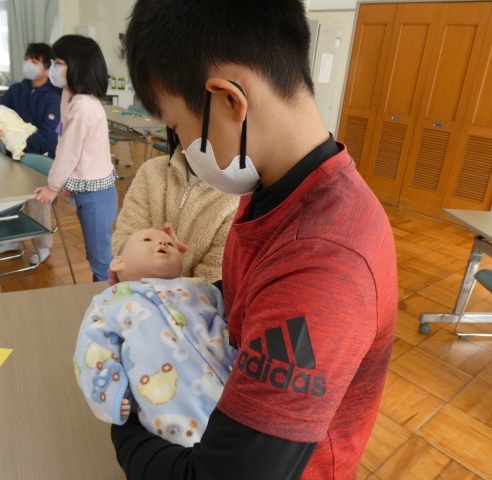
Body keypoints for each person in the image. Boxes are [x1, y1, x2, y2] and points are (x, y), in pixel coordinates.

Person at [111, 1, 398, 479]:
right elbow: (243, 300)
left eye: (178, 129)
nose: (182, 148)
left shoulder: (327, 262)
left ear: (229, 100)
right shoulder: (272, 189)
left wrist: (121, 413)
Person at [74, 228, 236, 447]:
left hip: (232, 388)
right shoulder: (110, 300)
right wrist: (111, 393)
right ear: (118, 263)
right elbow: (93, 348)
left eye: (170, 243)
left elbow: (230, 320)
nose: (163, 244)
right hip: (170, 404)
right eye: (147, 240)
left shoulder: (202, 287)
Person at [34, 35, 118, 283]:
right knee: (96, 254)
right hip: (88, 189)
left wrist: (53, 186)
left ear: (79, 67)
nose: (53, 69)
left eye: (59, 63)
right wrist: (67, 183)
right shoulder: (70, 95)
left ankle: (108, 298)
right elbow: (69, 146)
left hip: (97, 195)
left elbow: (68, 152)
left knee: (100, 259)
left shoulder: (83, 106)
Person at [112, 130, 239, 283]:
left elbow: (215, 279)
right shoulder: (151, 170)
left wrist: (169, 277)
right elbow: (125, 238)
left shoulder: (239, 196)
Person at [0, 42, 62, 265]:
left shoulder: (54, 97)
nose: (28, 64)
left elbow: (48, 136)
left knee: (37, 199)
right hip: (13, 155)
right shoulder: (17, 89)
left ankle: (42, 246)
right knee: (3, 192)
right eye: (26, 59)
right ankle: (12, 239)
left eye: (34, 61)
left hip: (38, 157)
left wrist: (21, 151)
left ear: (47, 68)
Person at [0, 92, 37, 160]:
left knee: (25, 132)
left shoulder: (1, 106)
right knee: (10, 137)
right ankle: (17, 150)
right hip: (6, 127)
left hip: (16, 123)